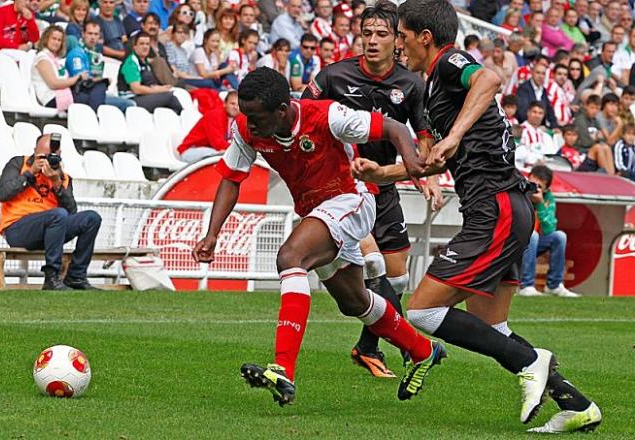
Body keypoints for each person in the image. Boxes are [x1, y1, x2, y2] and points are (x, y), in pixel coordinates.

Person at [354, 0, 601, 433]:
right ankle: (576, 404)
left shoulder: (451, 61)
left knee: (424, 312)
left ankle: (533, 361)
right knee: (492, 327)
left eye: (403, 37)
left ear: (423, 37)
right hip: (503, 206)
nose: (398, 47)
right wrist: (385, 171)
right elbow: (433, 160)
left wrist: (454, 133)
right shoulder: (432, 88)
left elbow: (490, 77)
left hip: (496, 206)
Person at [193, 67, 445, 406]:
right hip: (315, 213)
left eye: (257, 118)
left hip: (351, 199)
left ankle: (282, 367)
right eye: (245, 115)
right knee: (354, 302)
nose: (249, 125)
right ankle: (423, 350)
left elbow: (394, 127)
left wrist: (413, 161)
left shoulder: (328, 116)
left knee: (290, 257)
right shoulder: (245, 129)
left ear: (282, 110)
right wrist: (212, 234)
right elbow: (232, 178)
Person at [302, 0, 441, 378]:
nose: (373, 41)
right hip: (343, 188)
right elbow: (303, 121)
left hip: (385, 183)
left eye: (382, 34)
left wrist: (428, 176)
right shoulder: (333, 77)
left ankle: (367, 346)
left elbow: (425, 137)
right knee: (374, 265)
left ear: (397, 39)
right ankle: (412, 345)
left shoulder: (410, 84)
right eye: (367, 34)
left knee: (397, 277)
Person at [0, 134, 102, 291]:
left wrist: (56, 183)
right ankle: (51, 277)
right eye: (42, 156)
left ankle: (76, 276)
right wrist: (30, 172)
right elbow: (3, 194)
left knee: (92, 218)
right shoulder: (19, 163)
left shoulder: (62, 177)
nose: (46, 161)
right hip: (17, 229)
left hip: (53, 228)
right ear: (34, 152)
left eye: (51, 157)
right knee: (58, 215)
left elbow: (72, 212)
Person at [518, 165, 580, 298]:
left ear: (546, 188)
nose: (535, 189)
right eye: (532, 184)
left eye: (539, 187)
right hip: (515, 241)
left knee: (559, 236)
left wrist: (540, 204)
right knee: (532, 235)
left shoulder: (548, 198)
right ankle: (526, 285)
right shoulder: (519, 191)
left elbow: (549, 229)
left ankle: (554, 285)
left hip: (534, 243)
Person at [65, 20, 136, 112]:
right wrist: (103, 81)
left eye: (95, 34)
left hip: (94, 93)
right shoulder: (77, 54)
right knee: (129, 105)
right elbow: (82, 81)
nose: (93, 37)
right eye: (90, 33)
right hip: (82, 94)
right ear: (83, 34)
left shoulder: (95, 53)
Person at [31, 25, 107, 112]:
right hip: (53, 98)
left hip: (64, 93)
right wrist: (78, 77)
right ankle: (94, 118)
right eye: (54, 39)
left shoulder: (55, 58)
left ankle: (94, 117)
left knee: (99, 87)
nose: (56, 42)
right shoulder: (42, 58)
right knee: (98, 91)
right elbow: (54, 84)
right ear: (46, 39)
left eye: (59, 40)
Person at [118, 32, 183, 113]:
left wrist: (161, 88)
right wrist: (158, 90)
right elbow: (136, 89)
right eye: (141, 44)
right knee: (170, 97)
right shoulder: (131, 62)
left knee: (172, 98)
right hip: (130, 100)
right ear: (135, 47)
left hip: (143, 97)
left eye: (147, 44)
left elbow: (149, 85)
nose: (145, 47)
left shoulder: (145, 62)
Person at [177, 91, 239, 162]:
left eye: (238, 105)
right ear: (224, 104)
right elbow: (218, 144)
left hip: (208, 150)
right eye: (232, 104)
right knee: (224, 156)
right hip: (190, 151)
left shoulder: (234, 119)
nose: (235, 107)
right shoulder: (215, 115)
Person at [516, 101, 558, 170]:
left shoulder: (546, 136)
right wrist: (537, 160)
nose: (537, 116)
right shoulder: (519, 131)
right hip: (523, 170)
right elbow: (517, 153)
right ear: (528, 113)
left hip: (543, 171)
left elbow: (552, 155)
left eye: (540, 113)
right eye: (534, 112)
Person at [516, 61, 558, 128]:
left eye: (543, 74)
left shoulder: (543, 90)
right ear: (532, 73)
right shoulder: (523, 89)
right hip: (526, 127)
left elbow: (550, 111)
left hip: (540, 127)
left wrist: (555, 127)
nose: (540, 76)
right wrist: (536, 127)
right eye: (538, 73)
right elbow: (522, 113)